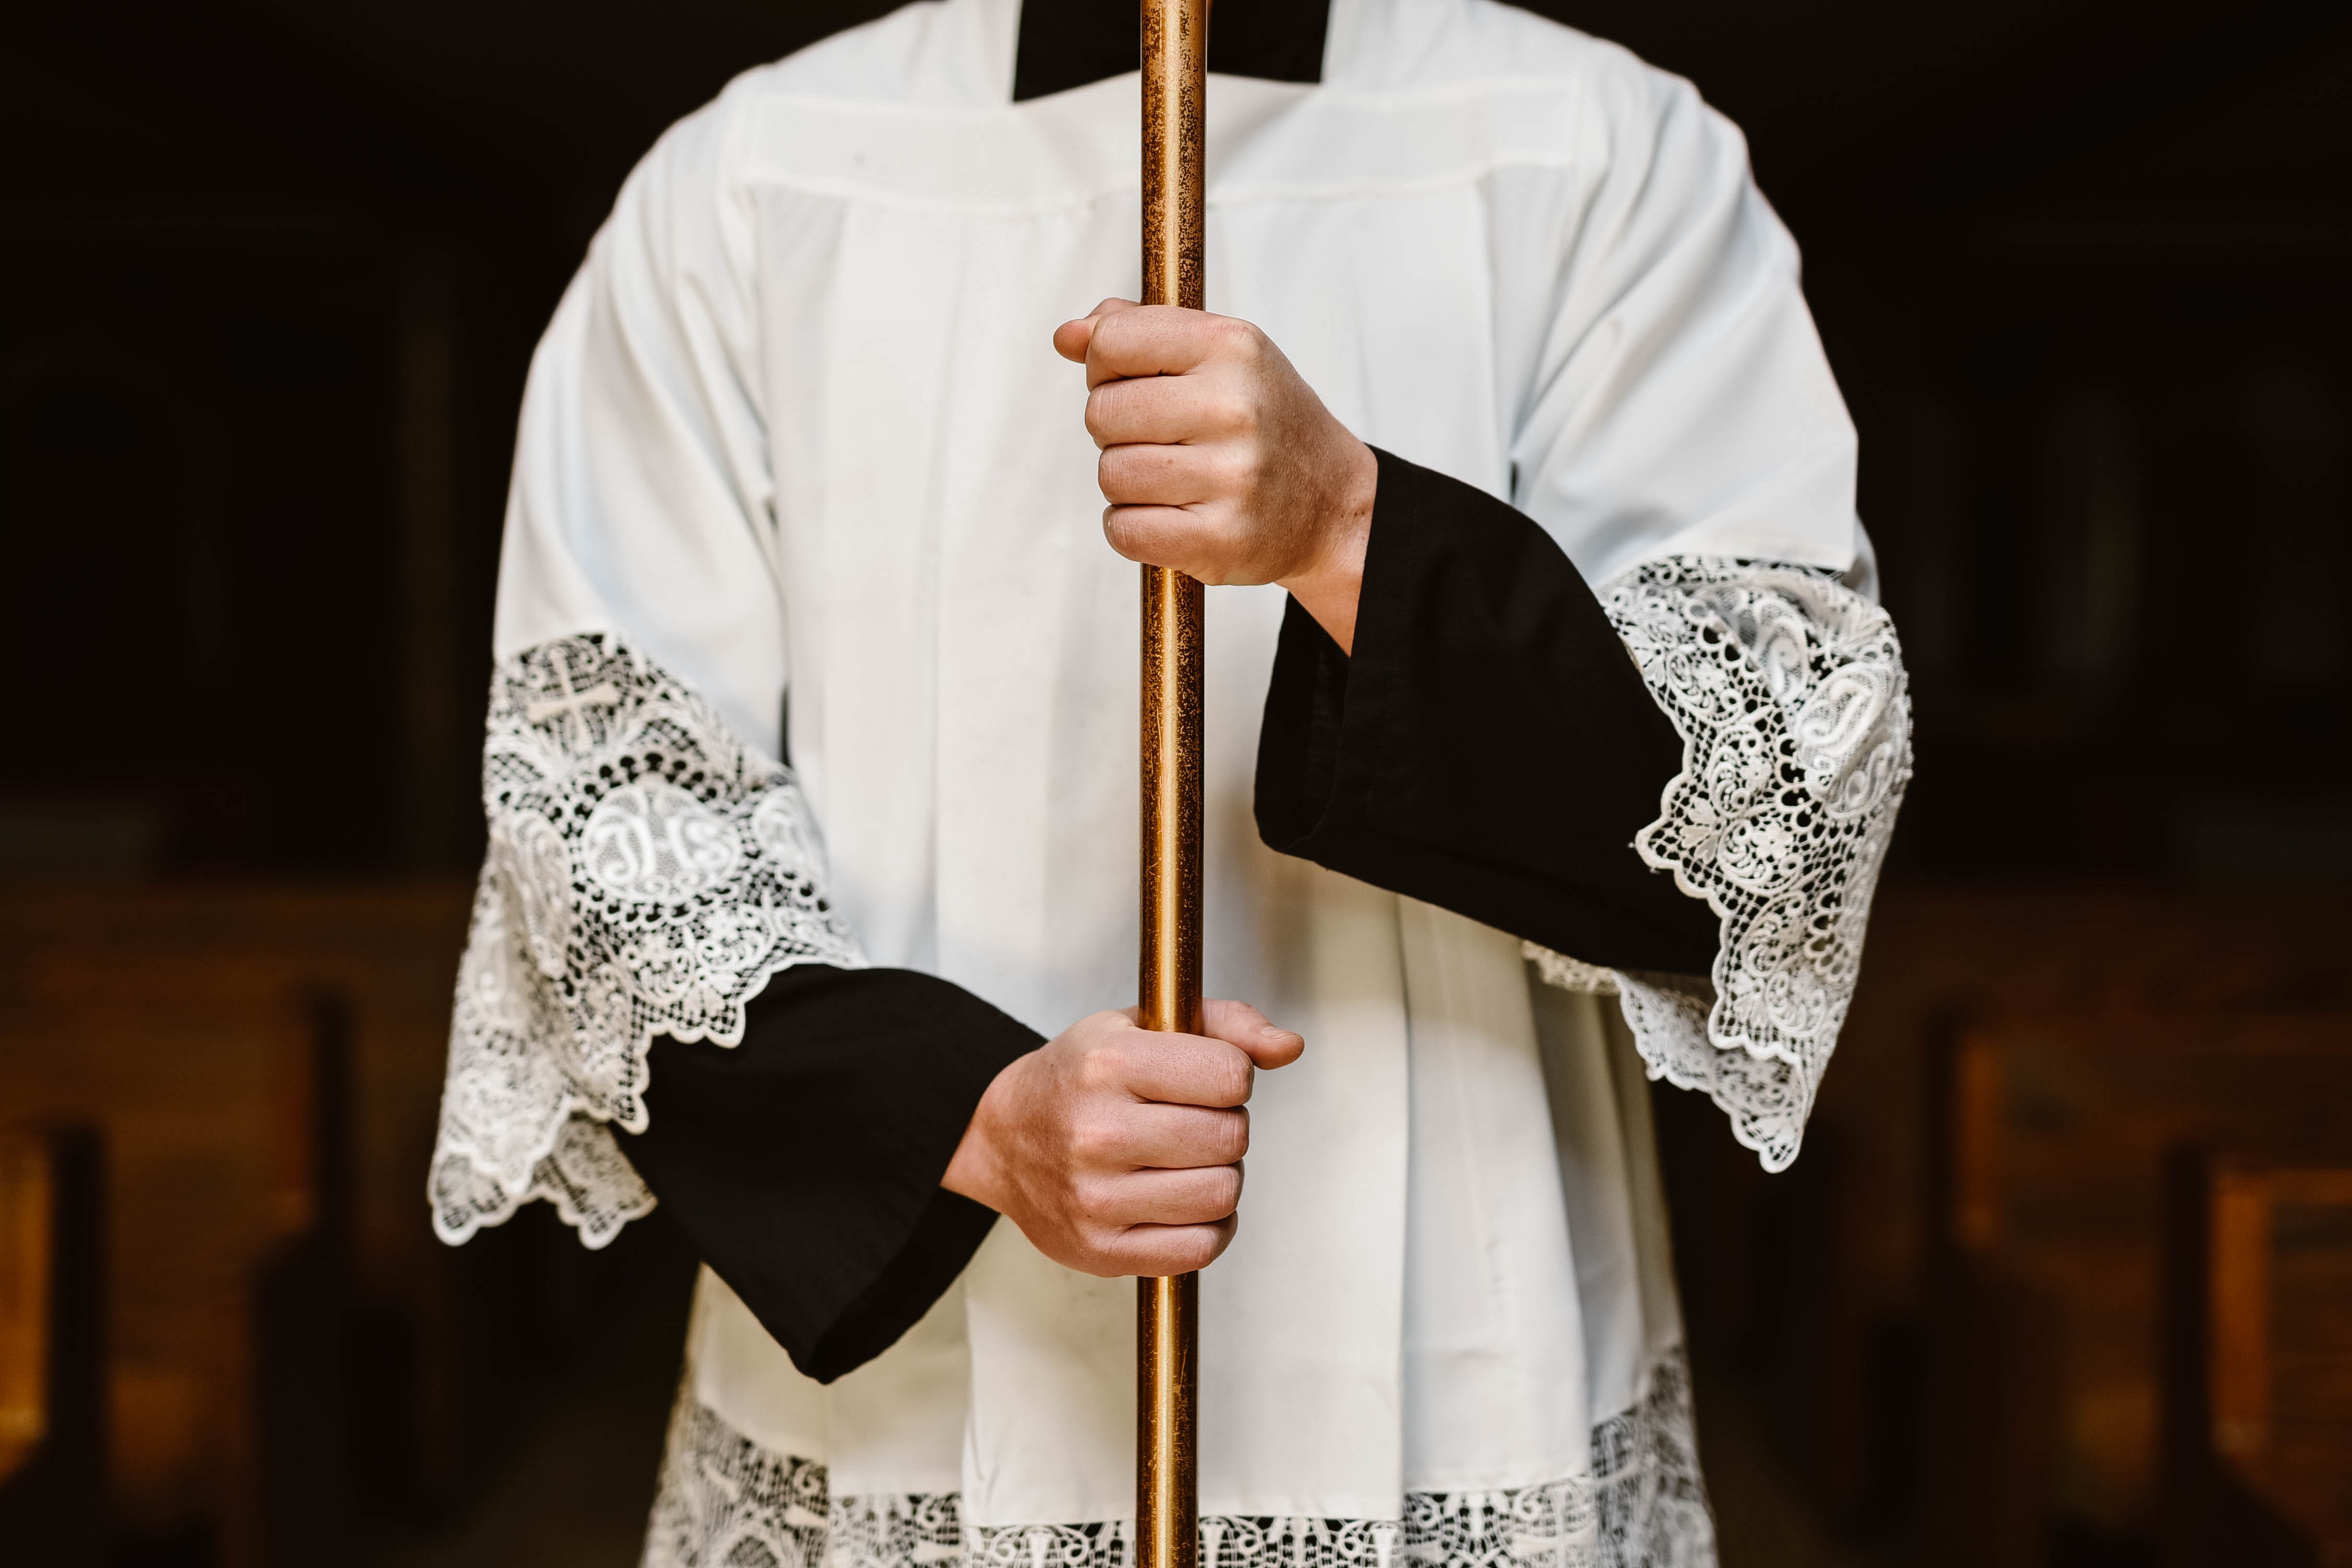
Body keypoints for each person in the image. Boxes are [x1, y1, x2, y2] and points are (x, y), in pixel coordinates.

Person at [426, 1, 1912, 1564]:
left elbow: (1770, 788)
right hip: (922, 1395)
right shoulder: (749, 180)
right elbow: (601, 786)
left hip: (1465, 1356)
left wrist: (1350, 531)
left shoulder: (1597, 149)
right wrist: (973, 1116)